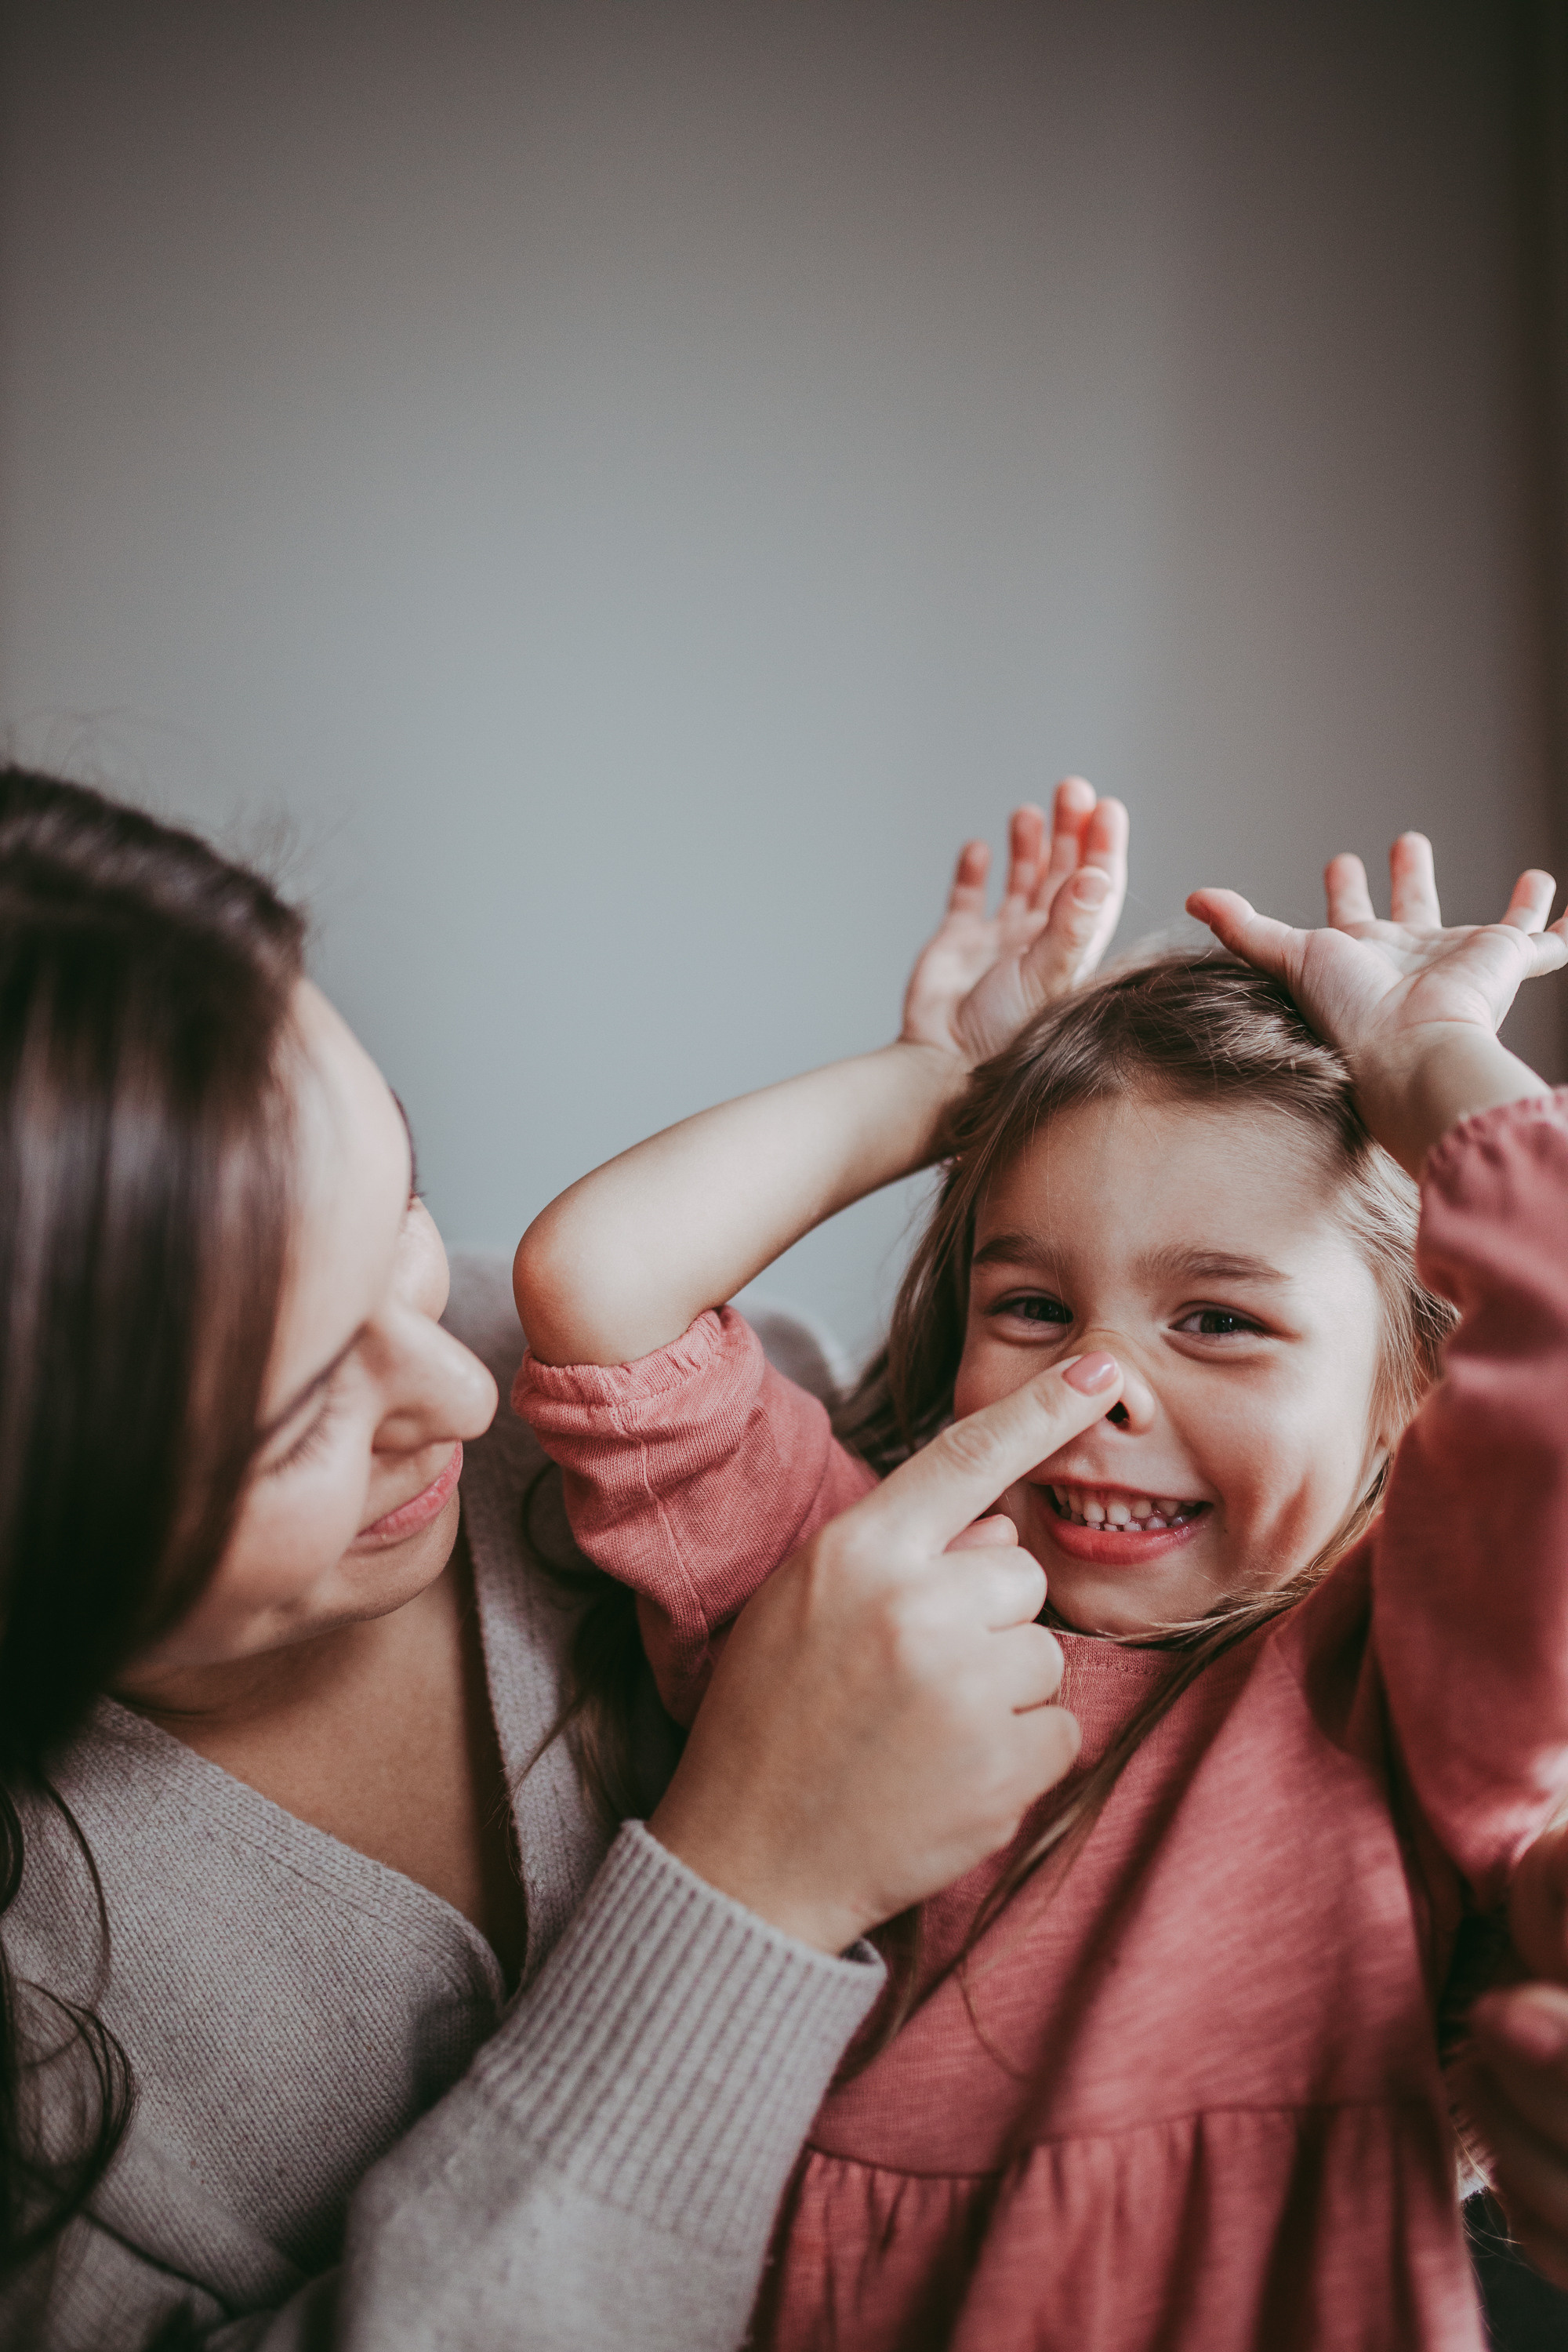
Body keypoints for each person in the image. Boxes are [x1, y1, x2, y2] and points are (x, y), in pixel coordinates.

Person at [0, 765, 1128, 2350]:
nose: (465, 1389)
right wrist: (750, 1884)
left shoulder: (665, 1406)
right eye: (297, 1414)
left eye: (397, 1200)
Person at [514, 814, 1568, 2349]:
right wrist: (936, 1086)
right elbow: (595, 1288)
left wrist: (1424, 1064)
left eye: (1218, 1321)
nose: (1096, 1384)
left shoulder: (1406, 1679)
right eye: (1029, 1303)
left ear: (1410, 1385)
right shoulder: (869, 1598)